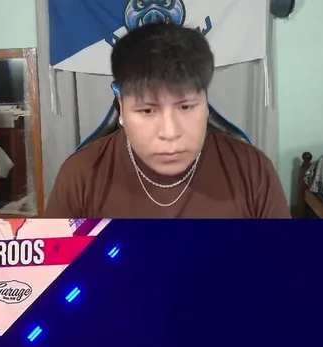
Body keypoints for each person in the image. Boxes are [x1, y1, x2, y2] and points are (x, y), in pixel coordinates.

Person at [43, 23, 288, 219]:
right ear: (121, 107)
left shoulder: (254, 171)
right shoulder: (80, 176)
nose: (170, 132)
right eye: (147, 110)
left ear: (205, 103)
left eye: (186, 107)